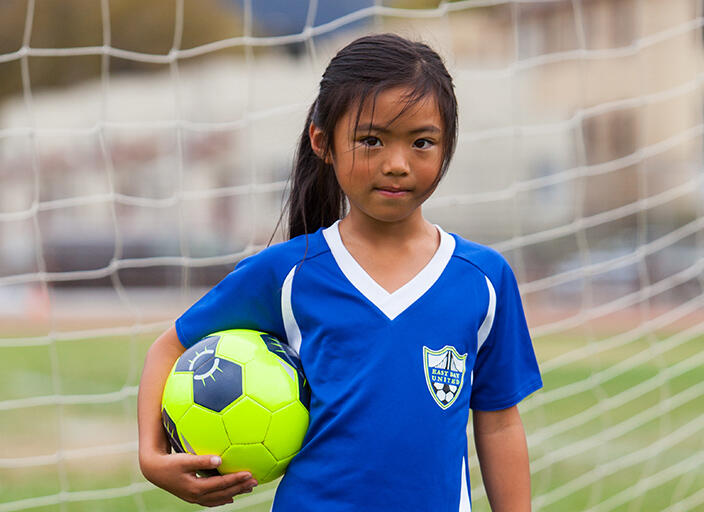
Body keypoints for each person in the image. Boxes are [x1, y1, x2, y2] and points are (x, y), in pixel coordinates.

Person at [137, 33, 542, 511]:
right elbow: (171, 347)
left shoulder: (482, 278)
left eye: (422, 142)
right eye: (371, 140)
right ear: (322, 142)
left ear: (447, 144)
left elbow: (498, 423)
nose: (397, 164)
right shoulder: (289, 273)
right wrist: (151, 456)